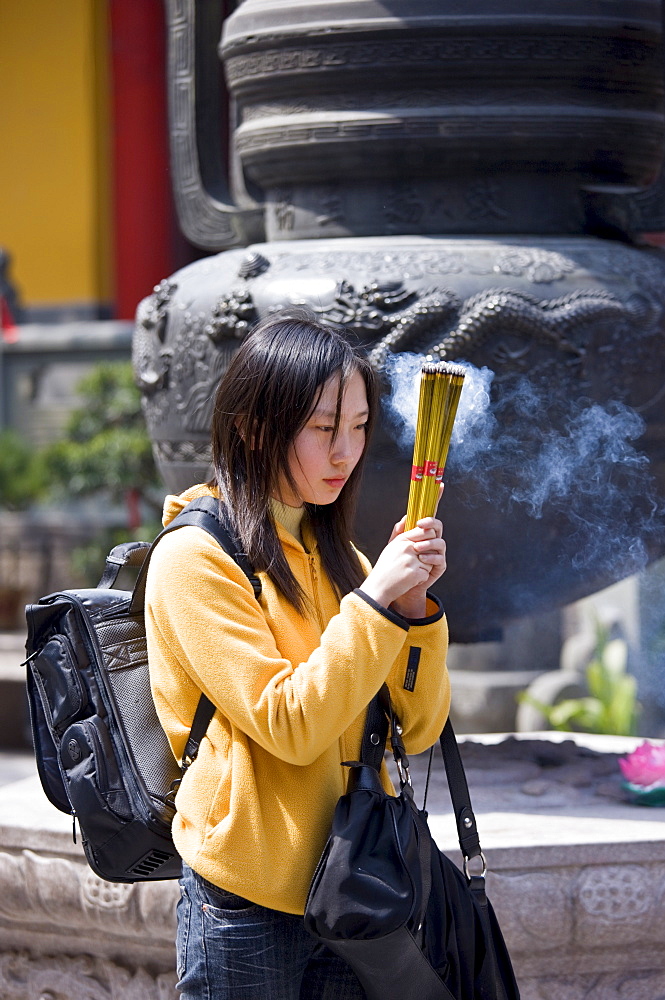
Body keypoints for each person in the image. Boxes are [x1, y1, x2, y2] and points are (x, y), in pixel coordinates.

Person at [146, 311, 451, 1000]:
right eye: (322, 428)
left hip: (356, 888)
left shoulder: (342, 558)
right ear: (255, 425)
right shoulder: (196, 558)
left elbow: (420, 729)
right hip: (248, 898)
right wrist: (374, 605)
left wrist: (415, 613)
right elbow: (289, 724)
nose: (345, 452)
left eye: (360, 426)